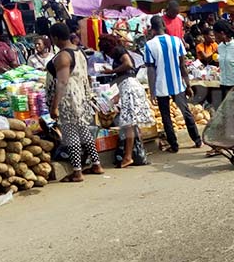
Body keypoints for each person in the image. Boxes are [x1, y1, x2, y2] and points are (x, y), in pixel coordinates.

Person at [46, 23, 104, 182]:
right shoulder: (79, 51)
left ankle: (77, 171)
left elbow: (62, 82)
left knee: (71, 134)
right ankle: (96, 164)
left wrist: (55, 105)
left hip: (69, 98)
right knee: (84, 131)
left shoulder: (64, 55)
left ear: (56, 38)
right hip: (80, 96)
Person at [145, 16, 202, 153]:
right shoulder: (176, 41)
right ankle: (197, 139)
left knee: (166, 117)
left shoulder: (149, 45)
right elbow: (183, 66)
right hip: (178, 84)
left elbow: (151, 70)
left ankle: (174, 145)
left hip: (160, 86)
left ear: (152, 29)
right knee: (186, 112)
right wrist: (188, 85)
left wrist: (152, 91)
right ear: (164, 26)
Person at [99, 35, 154, 168]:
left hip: (130, 88)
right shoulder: (120, 51)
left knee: (128, 124)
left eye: (107, 53)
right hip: (128, 87)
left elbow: (128, 65)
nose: (108, 56)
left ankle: (128, 156)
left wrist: (111, 71)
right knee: (132, 123)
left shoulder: (119, 51)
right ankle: (138, 154)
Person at [213, 20, 234, 99]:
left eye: (215, 35)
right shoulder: (220, 47)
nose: (215, 38)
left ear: (222, 33)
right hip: (223, 84)